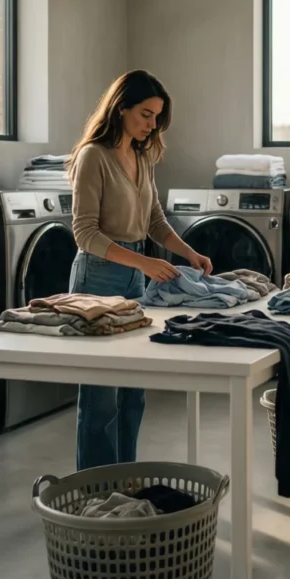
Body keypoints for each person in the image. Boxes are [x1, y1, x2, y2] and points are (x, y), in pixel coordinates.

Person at [66, 70, 213, 470]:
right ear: (121, 108)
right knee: (100, 401)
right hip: (97, 278)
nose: (151, 125)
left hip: (134, 278)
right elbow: (84, 234)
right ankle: (95, 495)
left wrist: (188, 253)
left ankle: (124, 483)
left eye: (156, 118)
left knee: (133, 393)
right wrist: (144, 262)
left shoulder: (143, 155)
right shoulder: (93, 156)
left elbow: (155, 220)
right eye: (146, 115)